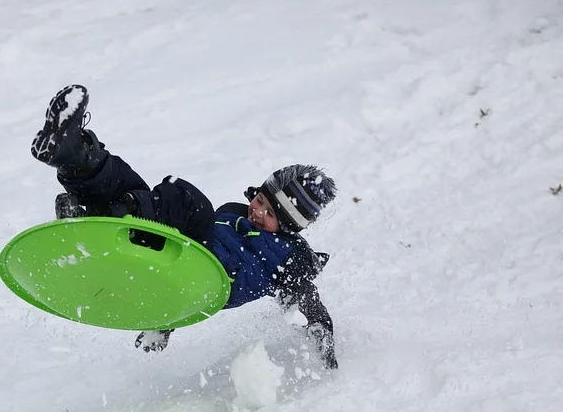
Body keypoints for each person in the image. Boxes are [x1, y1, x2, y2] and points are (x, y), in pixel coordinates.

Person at [30, 84, 339, 369]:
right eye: (260, 200)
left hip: (210, 278)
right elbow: (177, 272)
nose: (257, 211)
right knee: (132, 185)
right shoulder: (235, 213)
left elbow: (307, 302)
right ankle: (72, 156)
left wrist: (324, 343)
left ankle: (111, 213)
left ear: (289, 226)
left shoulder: (290, 257)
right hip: (178, 253)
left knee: (188, 201)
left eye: (270, 213)